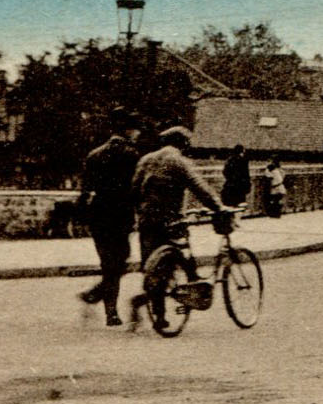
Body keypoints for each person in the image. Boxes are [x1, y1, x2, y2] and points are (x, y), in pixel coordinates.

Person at [128, 126, 223, 332]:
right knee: (178, 261)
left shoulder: (145, 160)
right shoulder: (178, 161)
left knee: (152, 268)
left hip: (147, 222)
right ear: (182, 143)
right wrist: (219, 208)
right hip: (170, 222)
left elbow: (134, 190)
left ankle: (157, 314)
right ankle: (192, 286)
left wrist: (141, 214)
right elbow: (200, 187)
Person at [75, 108, 141, 326]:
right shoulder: (132, 155)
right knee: (120, 261)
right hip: (121, 214)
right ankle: (104, 305)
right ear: (129, 130)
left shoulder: (95, 154)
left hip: (99, 215)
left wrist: (81, 217)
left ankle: (106, 307)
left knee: (108, 263)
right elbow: (137, 188)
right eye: (135, 129)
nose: (138, 133)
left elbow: (85, 190)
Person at [221, 145, 251, 209]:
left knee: (230, 204)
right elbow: (246, 174)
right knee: (239, 205)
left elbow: (225, 172)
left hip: (230, 185)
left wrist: (230, 178)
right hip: (240, 186)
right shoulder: (243, 160)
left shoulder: (230, 160)